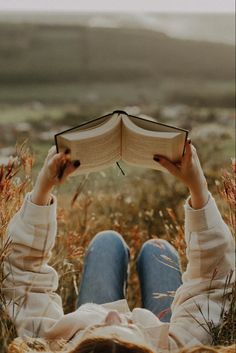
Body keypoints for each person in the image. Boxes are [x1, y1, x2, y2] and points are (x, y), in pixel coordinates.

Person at [3, 142, 234, 353]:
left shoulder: (50, 344)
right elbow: (213, 282)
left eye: (95, 332)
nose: (114, 314)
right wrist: (197, 186)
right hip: (162, 333)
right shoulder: (174, 348)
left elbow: (21, 274)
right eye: (128, 328)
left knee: (107, 241)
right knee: (158, 249)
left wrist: (43, 188)